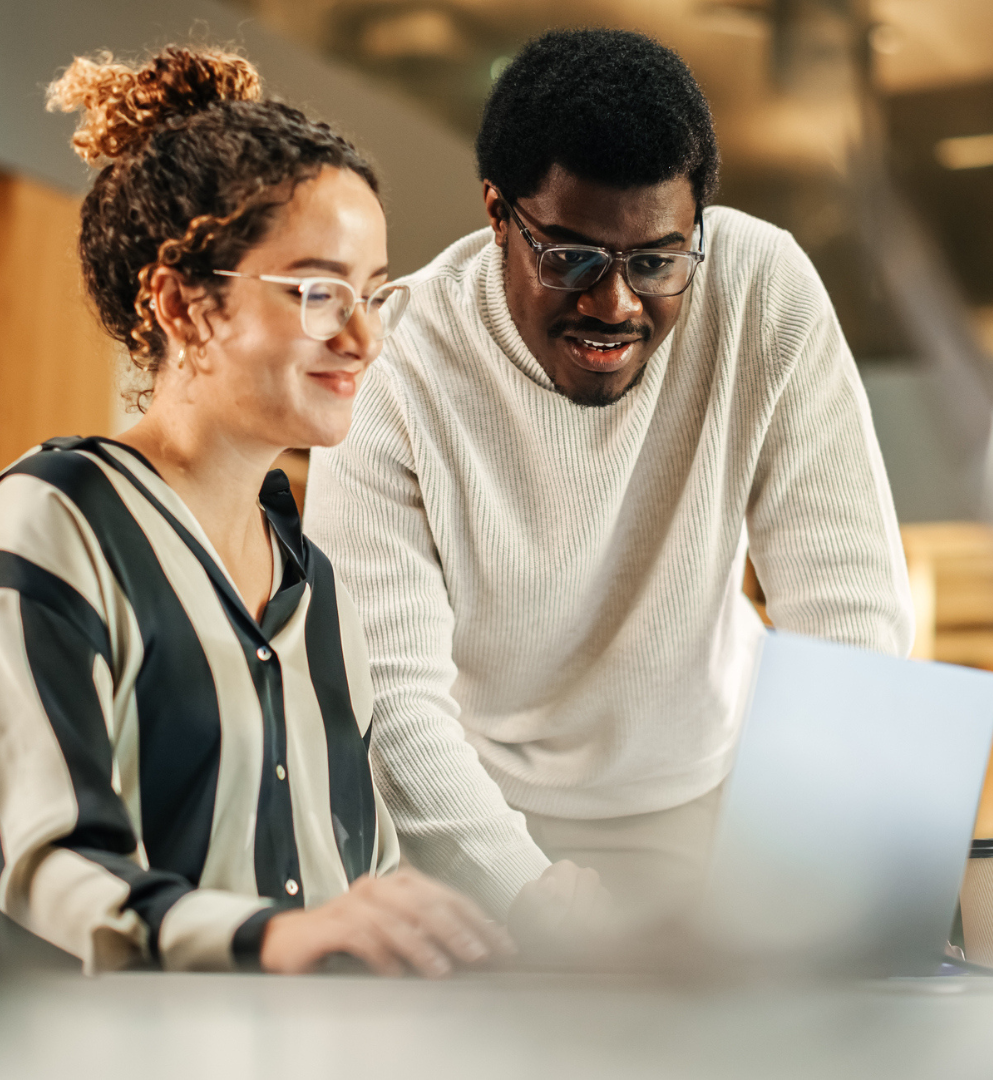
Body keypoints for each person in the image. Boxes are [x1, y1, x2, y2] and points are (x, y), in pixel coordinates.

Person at [0, 46, 514, 975]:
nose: (363, 338)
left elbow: (358, 889)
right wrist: (273, 939)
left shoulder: (319, 592)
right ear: (182, 307)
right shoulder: (56, 518)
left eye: (374, 294)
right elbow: (40, 877)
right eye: (320, 292)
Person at [304, 29, 915, 924]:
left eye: (657, 261)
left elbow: (849, 611)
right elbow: (389, 696)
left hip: (708, 797)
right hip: (473, 818)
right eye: (572, 258)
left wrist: (805, 874)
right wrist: (528, 894)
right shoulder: (397, 366)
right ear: (497, 213)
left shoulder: (761, 289)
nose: (616, 304)